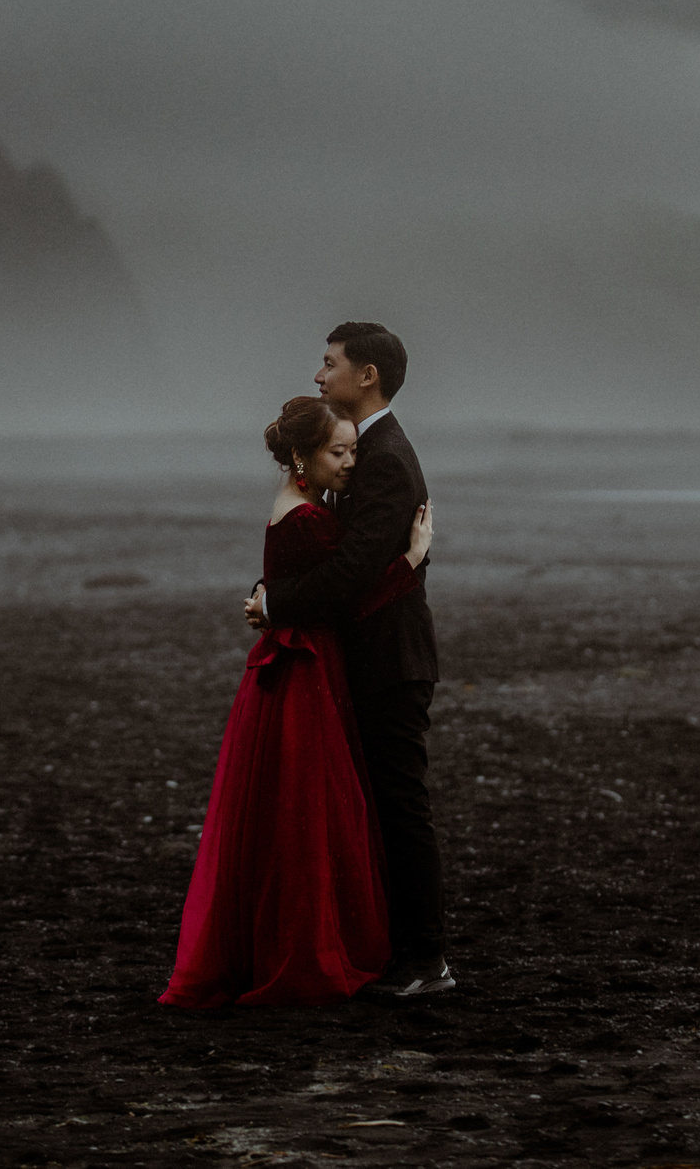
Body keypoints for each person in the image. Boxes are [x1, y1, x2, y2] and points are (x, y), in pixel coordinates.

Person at [159, 395, 434, 1007]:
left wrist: (272, 596)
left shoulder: (302, 506)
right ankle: (313, 948)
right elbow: (343, 595)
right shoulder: (306, 517)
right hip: (309, 670)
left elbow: (303, 583)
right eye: (339, 452)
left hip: (297, 663)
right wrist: (410, 561)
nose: (351, 463)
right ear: (302, 459)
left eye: (353, 450)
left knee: (294, 815)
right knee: (314, 813)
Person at [245, 322, 451, 1000]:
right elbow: (346, 562)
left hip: (390, 660)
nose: (318, 374)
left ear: (367, 375)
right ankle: (400, 951)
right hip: (366, 656)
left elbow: (354, 573)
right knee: (380, 805)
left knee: (399, 806)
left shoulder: (385, 455)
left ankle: (427, 960)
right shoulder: (362, 451)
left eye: (329, 363)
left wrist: (276, 603)